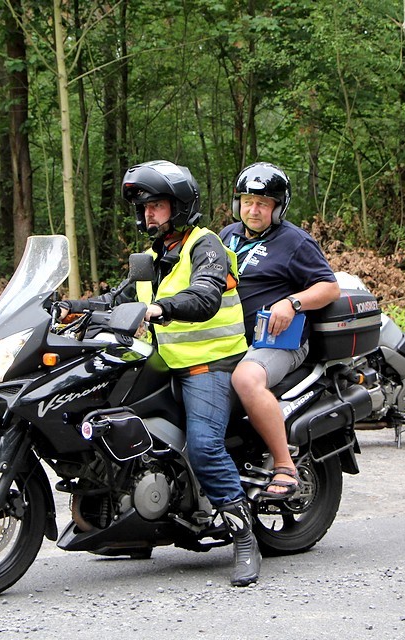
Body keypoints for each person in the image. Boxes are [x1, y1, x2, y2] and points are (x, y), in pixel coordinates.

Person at [58, 160, 259, 587]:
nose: (148, 213)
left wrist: (159, 309)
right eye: (144, 207)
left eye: (157, 205)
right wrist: (73, 307)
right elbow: (118, 300)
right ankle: (133, 522)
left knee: (204, 447)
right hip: (162, 361)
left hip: (210, 363)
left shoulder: (206, 245)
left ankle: (244, 537)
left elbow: (205, 295)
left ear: (180, 206)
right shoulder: (154, 257)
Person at [219, 162, 341, 499]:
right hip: (230, 338)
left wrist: (292, 302)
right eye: (247, 202)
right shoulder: (226, 236)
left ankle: (285, 465)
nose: (253, 210)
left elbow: (329, 288)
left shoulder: (295, 241)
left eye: (262, 203)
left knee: (246, 379)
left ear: (277, 207)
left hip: (278, 341)